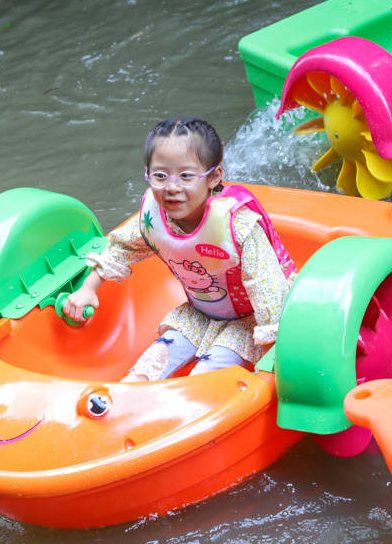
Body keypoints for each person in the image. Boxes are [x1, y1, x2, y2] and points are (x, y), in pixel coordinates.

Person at [63, 116, 296, 382]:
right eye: (160, 176)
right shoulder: (154, 219)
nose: (172, 187)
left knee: (201, 379)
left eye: (186, 176)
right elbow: (121, 248)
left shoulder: (237, 224)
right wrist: (88, 289)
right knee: (144, 372)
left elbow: (267, 287)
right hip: (198, 314)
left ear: (214, 176)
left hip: (250, 322)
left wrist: (272, 355)